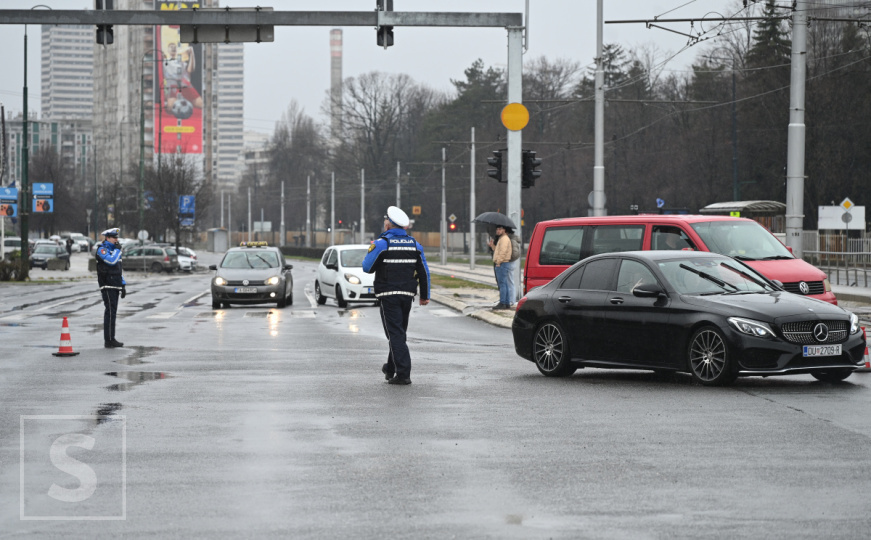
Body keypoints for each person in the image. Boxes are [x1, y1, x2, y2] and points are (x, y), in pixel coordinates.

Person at [362, 206, 430, 386]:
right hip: (407, 295)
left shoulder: (382, 243)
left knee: (395, 334)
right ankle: (390, 368)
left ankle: (403, 374)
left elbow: (367, 267)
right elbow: (424, 272)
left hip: (388, 294)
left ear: (388, 225)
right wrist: (425, 295)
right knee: (399, 332)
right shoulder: (415, 245)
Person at [95, 228, 127, 348]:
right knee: (109, 312)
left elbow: (118, 269)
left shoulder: (114, 250)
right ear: (107, 238)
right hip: (107, 284)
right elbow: (111, 261)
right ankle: (108, 340)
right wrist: (118, 251)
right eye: (114, 237)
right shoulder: (102, 249)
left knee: (113, 313)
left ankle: (111, 338)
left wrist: (122, 284)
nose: (116, 240)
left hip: (115, 284)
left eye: (117, 237)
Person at [487, 225, 513, 309]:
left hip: (502, 263)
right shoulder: (502, 239)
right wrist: (492, 246)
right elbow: (498, 251)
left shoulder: (504, 239)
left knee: (502, 284)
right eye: (497, 229)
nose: (497, 231)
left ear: (504, 230)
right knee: (504, 283)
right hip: (503, 263)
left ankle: (502, 303)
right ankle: (506, 303)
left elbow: (503, 252)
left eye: (500, 229)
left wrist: (498, 262)